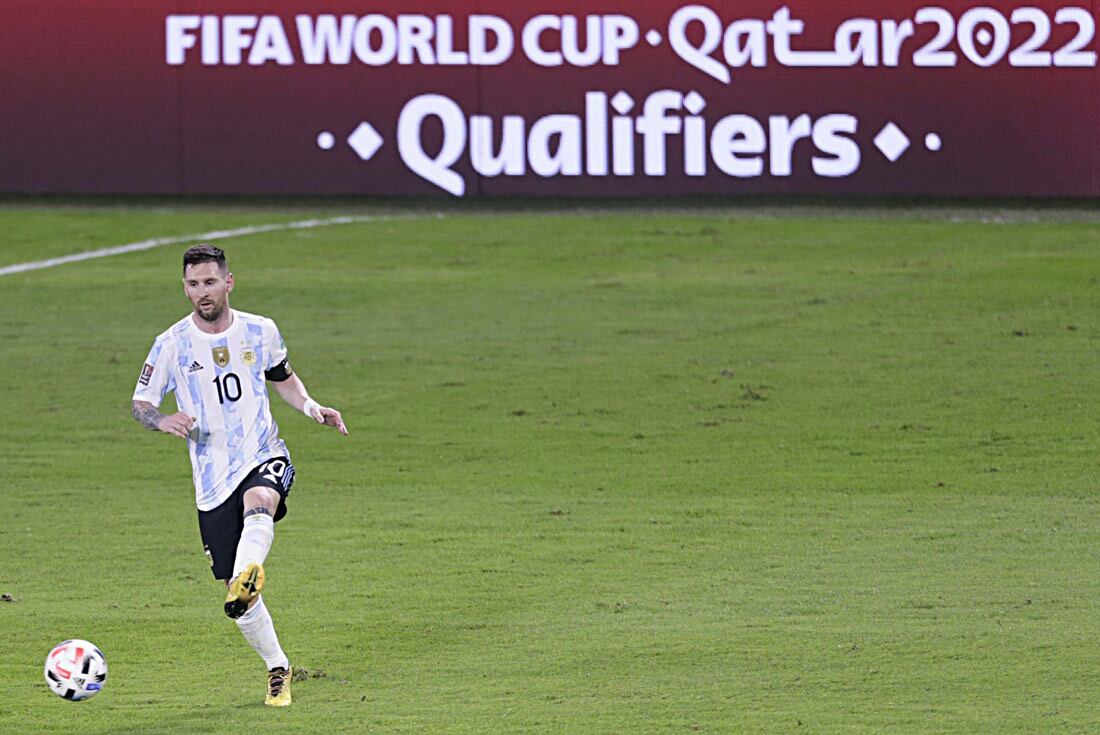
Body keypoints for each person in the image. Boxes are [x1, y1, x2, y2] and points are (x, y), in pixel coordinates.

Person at [131, 244, 347, 707]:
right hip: (211, 479)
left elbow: (282, 377)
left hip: (262, 452)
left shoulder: (260, 330)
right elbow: (141, 403)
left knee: (261, 502)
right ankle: (277, 667)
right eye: (193, 284)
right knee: (238, 602)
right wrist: (161, 420)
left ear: (228, 282)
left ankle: (251, 570)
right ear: (184, 287)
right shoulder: (170, 344)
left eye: (210, 282)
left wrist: (312, 408)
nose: (202, 292)